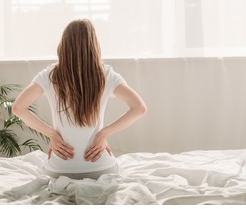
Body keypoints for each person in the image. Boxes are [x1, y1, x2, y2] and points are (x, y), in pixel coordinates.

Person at [12, 19, 147, 180]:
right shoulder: (106, 74)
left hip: (59, 168)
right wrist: (103, 134)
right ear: (93, 45)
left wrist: (52, 135)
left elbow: (18, 108)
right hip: (100, 167)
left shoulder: (50, 75)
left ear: (63, 45)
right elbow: (139, 108)